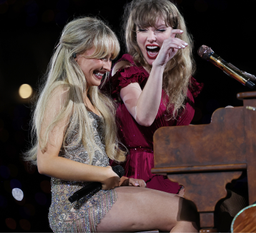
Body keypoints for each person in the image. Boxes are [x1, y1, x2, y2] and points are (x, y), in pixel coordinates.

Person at [24, 17, 198, 232]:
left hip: (98, 195)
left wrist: (121, 180)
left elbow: (90, 162)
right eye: (100, 58)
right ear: (75, 55)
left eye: (110, 59)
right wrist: (103, 174)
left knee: (187, 209)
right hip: (77, 207)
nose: (107, 66)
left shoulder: (93, 98)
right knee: (185, 212)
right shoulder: (62, 91)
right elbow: (47, 163)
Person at [107, 0, 203, 195]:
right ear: (135, 34)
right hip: (141, 173)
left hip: (177, 169)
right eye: (143, 30)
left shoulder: (180, 79)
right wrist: (158, 66)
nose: (151, 38)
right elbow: (144, 116)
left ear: (175, 33)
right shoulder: (126, 68)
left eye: (160, 30)